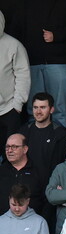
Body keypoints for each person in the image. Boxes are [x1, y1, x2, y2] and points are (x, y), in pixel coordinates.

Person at [22, 0, 66, 128]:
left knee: (58, 110)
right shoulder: (26, 1)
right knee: (34, 112)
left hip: (57, 63)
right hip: (32, 64)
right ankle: (36, 149)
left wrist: (56, 35)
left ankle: (60, 150)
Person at [0, 10, 28, 139]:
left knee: (11, 154)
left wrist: (17, 105)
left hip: (9, 109)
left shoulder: (14, 45)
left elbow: (23, 76)